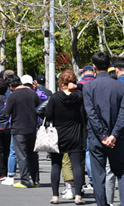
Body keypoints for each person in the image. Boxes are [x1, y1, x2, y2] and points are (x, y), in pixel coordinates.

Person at [83, 52, 124, 206]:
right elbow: (122, 113)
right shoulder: (120, 86)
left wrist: (102, 136)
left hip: (96, 138)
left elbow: (91, 114)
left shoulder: (88, 87)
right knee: (121, 172)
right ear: (110, 66)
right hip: (118, 138)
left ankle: (102, 204)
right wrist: (114, 134)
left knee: (98, 175)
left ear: (94, 67)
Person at [45, 69, 86, 205]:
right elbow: (87, 90)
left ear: (61, 82)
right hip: (75, 134)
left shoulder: (55, 97)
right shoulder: (79, 97)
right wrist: (77, 86)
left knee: (56, 165)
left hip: (58, 135)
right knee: (76, 166)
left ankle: (55, 196)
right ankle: (78, 196)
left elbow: (48, 115)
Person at [5, 74, 40, 188]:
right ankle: (36, 180)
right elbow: (40, 108)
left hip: (18, 128)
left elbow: (7, 113)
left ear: (10, 85)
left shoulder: (12, 96)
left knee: (21, 155)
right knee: (33, 155)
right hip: (32, 128)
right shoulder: (33, 93)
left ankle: (24, 180)